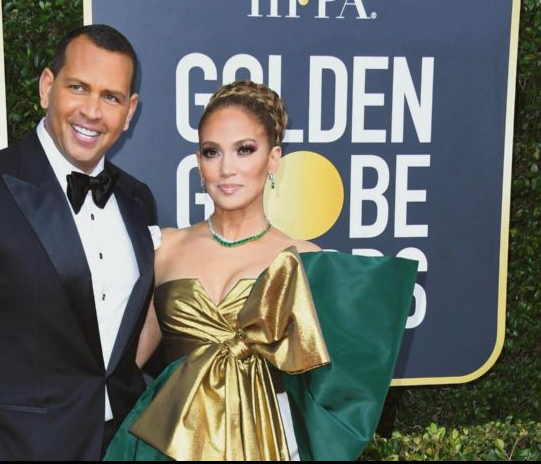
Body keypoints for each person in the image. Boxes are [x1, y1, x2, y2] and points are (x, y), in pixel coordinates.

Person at [105, 80, 419, 460]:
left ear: (273, 160)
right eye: (211, 152)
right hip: (165, 446)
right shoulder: (165, 247)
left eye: (244, 150)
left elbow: (327, 396)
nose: (226, 169)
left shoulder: (303, 260)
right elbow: (124, 364)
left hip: (261, 447)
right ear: (199, 161)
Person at [0, 24, 157, 460]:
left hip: (121, 448)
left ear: (130, 110)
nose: (92, 111)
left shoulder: (138, 200)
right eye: (78, 88)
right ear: (48, 87)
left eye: (111, 97)